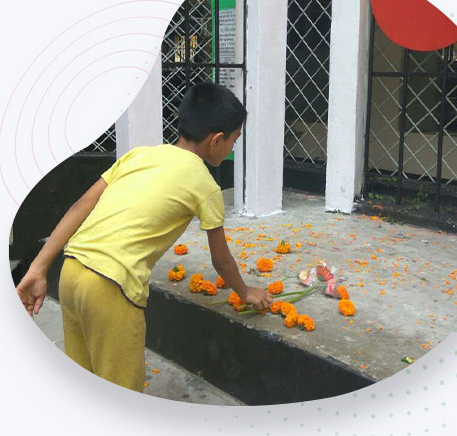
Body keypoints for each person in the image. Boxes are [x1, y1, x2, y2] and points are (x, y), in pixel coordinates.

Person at [15, 82, 273, 392]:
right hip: (111, 287)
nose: (233, 147)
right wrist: (245, 292)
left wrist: (39, 268)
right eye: (234, 140)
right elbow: (220, 258)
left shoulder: (139, 155)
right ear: (217, 140)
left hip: (70, 272)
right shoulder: (205, 185)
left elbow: (80, 205)